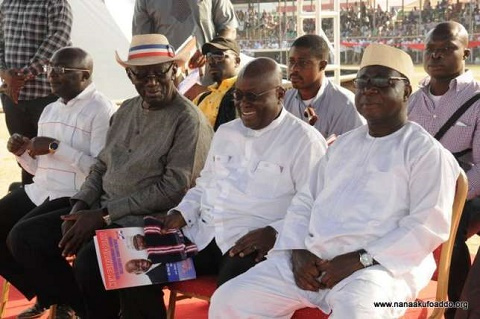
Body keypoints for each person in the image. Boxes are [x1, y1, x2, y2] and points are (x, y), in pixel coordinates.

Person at [209, 44, 461, 319]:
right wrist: (297, 250)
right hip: (314, 261)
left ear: (406, 92)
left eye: (381, 82)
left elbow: (427, 227)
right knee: (230, 300)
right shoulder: (344, 145)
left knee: (358, 313)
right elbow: (305, 202)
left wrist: (360, 260)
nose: (369, 89)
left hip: (379, 270)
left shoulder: (426, 153)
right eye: (362, 82)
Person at [7, 34, 213, 319]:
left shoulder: (188, 120)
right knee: (26, 237)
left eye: (159, 72)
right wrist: (80, 204)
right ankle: (80, 308)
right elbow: (102, 165)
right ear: (130, 75)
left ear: (174, 70)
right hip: (103, 208)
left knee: (92, 260)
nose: (151, 81)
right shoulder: (127, 109)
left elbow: (173, 189)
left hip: (154, 221)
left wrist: (102, 215)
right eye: (142, 74)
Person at [121, 57, 328, 318]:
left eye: (252, 96)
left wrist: (274, 232)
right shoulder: (227, 132)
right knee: (132, 272)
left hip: (252, 244)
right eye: (238, 97)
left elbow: (315, 207)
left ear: (280, 94)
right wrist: (182, 212)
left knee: (230, 299)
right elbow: (205, 184)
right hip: (205, 234)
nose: (244, 105)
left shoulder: (305, 142)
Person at [1, 47, 116, 319]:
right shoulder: (49, 109)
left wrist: (56, 147)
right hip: (41, 190)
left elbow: (101, 170)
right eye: (49, 69)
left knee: (23, 238)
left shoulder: (102, 110)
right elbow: (40, 168)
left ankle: (78, 306)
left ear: (85, 75)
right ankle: (51, 294)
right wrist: (22, 154)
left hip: (75, 194)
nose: (51, 75)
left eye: (60, 71)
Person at [407, 21, 480, 319]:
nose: (436, 56)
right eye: (431, 50)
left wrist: (451, 195)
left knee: (452, 228)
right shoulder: (412, 100)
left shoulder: (476, 99)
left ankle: (457, 308)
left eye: (447, 49)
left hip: (464, 194)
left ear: (466, 52)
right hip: (415, 189)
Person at [0, 0, 73, 185]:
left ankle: (53, 203)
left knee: (51, 155)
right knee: (23, 154)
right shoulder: (7, 3)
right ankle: (29, 199)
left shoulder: (56, 4)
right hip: (13, 99)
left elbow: (56, 44)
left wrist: (22, 75)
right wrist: (4, 73)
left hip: (47, 98)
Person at [284, 34, 364, 139]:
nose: (294, 69)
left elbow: (354, 149)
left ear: (322, 65)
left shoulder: (345, 105)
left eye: (303, 63)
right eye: (291, 62)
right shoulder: (284, 102)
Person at [132, 0, 237, 72]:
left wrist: (210, 51)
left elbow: (229, 28)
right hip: (166, 77)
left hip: (207, 76)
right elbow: (142, 41)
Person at [193, 37, 241, 130]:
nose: (211, 62)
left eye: (218, 56)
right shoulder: (201, 98)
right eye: (209, 57)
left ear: (237, 61)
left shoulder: (243, 95)